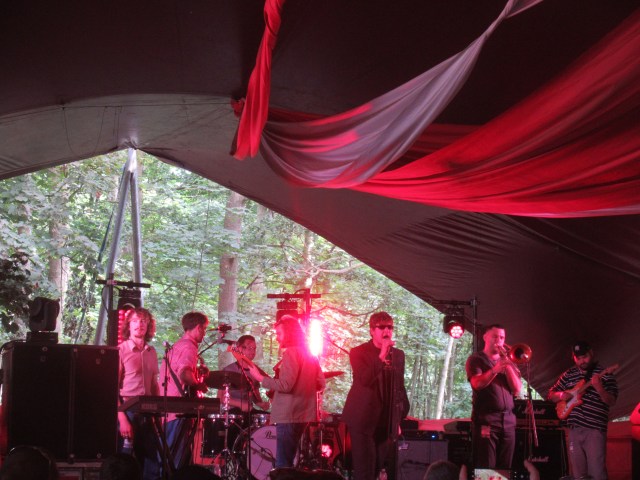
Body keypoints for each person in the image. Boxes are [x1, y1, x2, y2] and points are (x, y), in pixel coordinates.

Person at [247, 315, 325, 468]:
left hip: (289, 415)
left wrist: (260, 378)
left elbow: (286, 385)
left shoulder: (291, 353)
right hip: (303, 414)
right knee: (289, 462)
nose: (277, 338)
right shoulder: (310, 353)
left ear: (289, 333)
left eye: (279, 333)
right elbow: (321, 383)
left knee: (283, 465)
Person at [341, 311, 410, 480]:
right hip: (363, 421)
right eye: (381, 327)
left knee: (377, 470)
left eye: (390, 327)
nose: (387, 331)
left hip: (385, 423)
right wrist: (381, 356)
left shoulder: (398, 355)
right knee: (365, 473)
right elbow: (365, 380)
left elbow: (399, 387)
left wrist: (398, 419)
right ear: (372, 330)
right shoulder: (358, 352)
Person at [548, 341, 618, 480]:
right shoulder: (569, 374)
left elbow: (612, 401)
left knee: (596, 472)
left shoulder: (605, 374)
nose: (582, 361)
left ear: (591, 353)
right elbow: (550, 394)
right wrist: (561, 395)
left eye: (584, 357)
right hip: (574, 430)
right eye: (578, 358)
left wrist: (599, 388)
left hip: (595, 429)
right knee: (578, 473)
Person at [465, 324, 522, 470]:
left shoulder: (509, 361)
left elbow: (517, 389)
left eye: (502, 337)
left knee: (505, 469)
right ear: (485, 337)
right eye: (495, 337)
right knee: (486, 468)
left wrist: (507, 365)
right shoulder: (476, 359)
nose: (499, 341)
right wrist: (494, 370)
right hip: (487, 421)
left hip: (508, 421)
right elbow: (477, 384)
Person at [161, 311, 210, 473]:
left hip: (167, 409)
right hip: (178, 412)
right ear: (198, 327)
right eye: (204, 329)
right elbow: (184, 374)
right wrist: (199, 385)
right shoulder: (189, 347)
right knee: (178, 461)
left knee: (167, 459)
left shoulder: (177, 345)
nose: (204, 333)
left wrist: (198, 373)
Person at [117, 308, 161, 480]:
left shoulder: (151, 351)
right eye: (135, 321)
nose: (139, 324)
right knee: (124, 464)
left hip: (148, 412)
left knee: (151, 463)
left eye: (143, 321)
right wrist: (122, 419)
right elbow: (112, 388)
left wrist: (158, 414)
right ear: (128, 325)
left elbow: (154, 385)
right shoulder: (121, 350)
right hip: (128, 411)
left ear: (148, 325)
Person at [218, 334, 270, 414]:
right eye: (249, 348)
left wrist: (260, 404)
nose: (253, 352)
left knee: (269, 417)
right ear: (239, 348)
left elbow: (255, 396)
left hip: (249, 411)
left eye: (254, 348)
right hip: (231, 412)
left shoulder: (255, 371)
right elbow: (220, 397)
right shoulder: (228, 370)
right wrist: (240, 404)